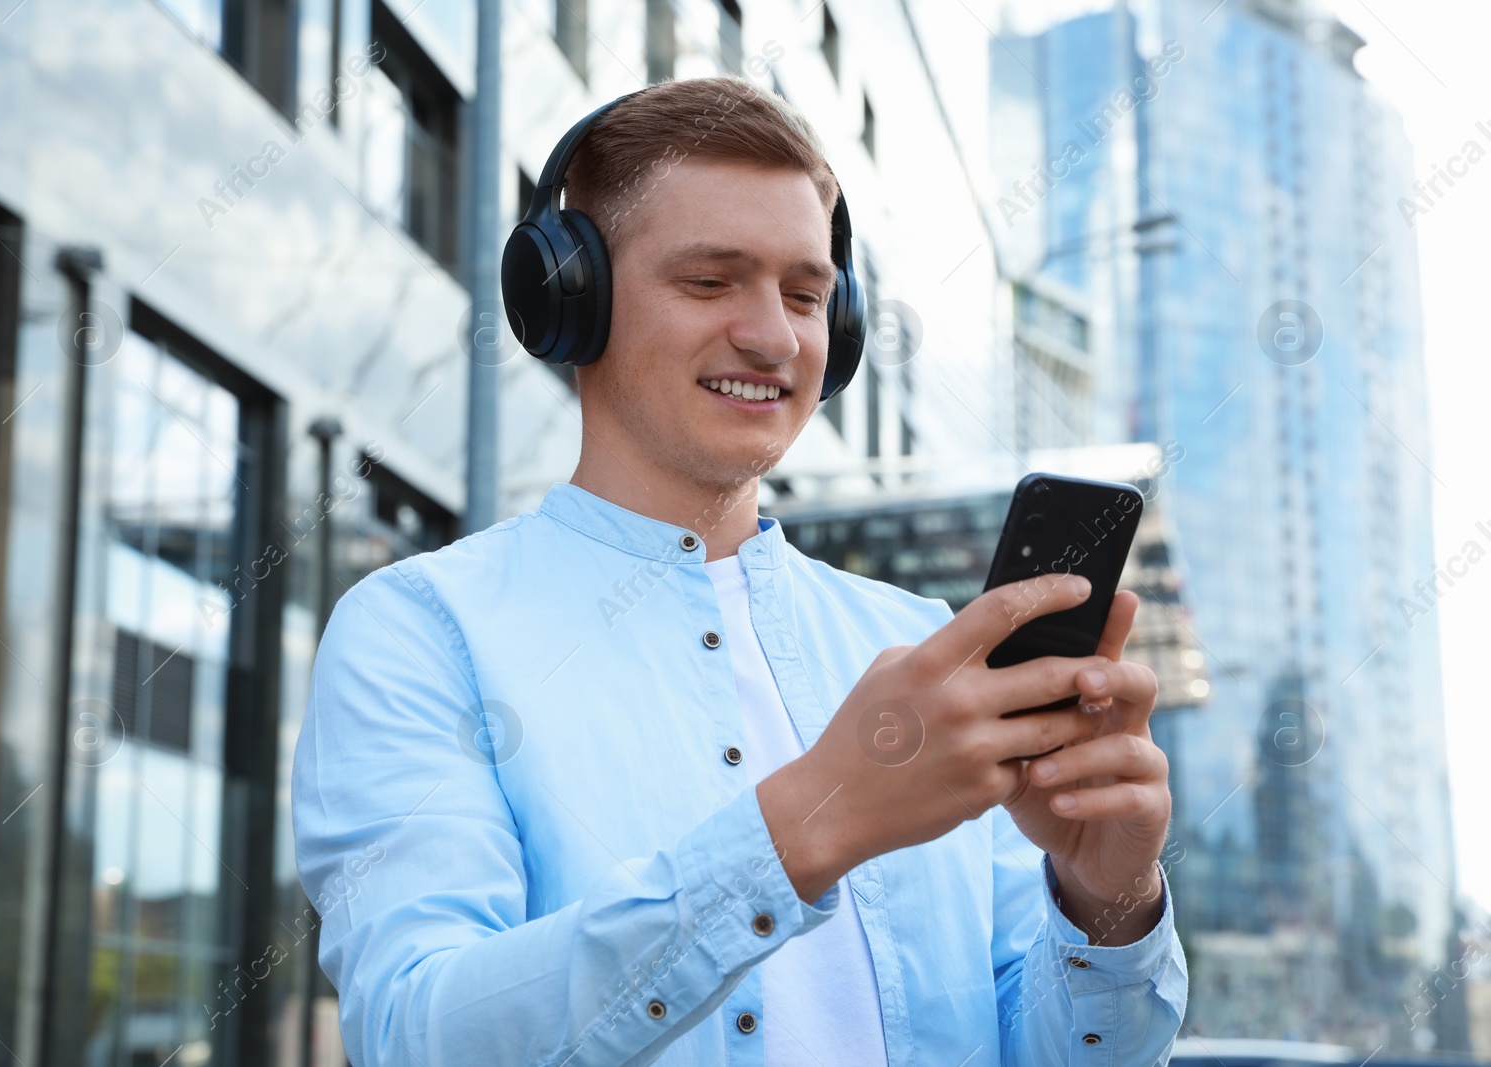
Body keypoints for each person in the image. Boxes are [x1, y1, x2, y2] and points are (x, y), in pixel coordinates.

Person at [292, 76, 1187, 1066]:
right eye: (710, 281)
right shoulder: (421, 629)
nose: (772, 336)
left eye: (805, 293)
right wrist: (813, 819)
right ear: (569, 300)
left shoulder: (926, 647)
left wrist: (1106, 903)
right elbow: (422, 1036)